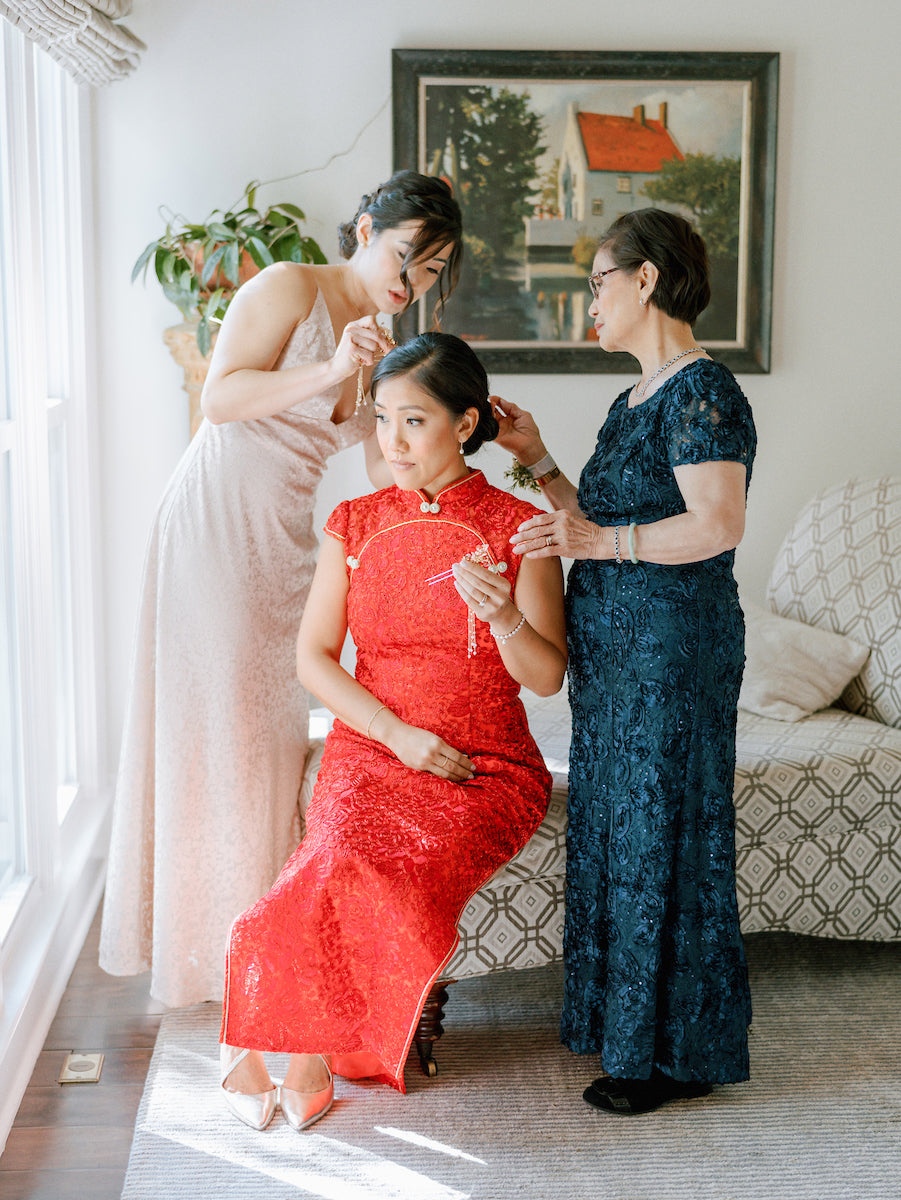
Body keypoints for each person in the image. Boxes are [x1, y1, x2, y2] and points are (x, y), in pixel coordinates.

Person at [99, 172, 463, 1008]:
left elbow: (378, 460)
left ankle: (262, 947)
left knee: (266, 737)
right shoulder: (287, 286)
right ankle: (214, 956)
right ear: (367, 228)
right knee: (219, 729)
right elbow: (220, 399)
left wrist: (447, 469)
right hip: (216, 526)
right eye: (408, 256)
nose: (413, 283)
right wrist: (332, 365)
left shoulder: (379, 338)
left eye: (433, 272)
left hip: (285, 542)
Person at [218, 332, 567, 1131]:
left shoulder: (518, 528)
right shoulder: (354, 521)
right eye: (382, 420)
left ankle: (287, 1053)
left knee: (376, 864)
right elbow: (313, 659)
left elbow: (544, 678)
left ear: (466, 422)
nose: (391, 441)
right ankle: (303, 1055)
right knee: (337, 851)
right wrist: (395, 735)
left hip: (483, 768)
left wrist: (504, 615)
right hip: (371, 747)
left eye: (414, 421)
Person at [495, 208, 756, 1116]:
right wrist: (536, 461)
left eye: (598, 281)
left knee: (661, 844)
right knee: (620, 837)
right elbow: (595, 519)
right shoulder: (633, 399)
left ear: (646, 280)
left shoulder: (702, 392)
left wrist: (598, 544)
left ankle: (671, 1058)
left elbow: (714, 525)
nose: (589, 301)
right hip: (617, 665)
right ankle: (631, 1037)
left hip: (669, 658)